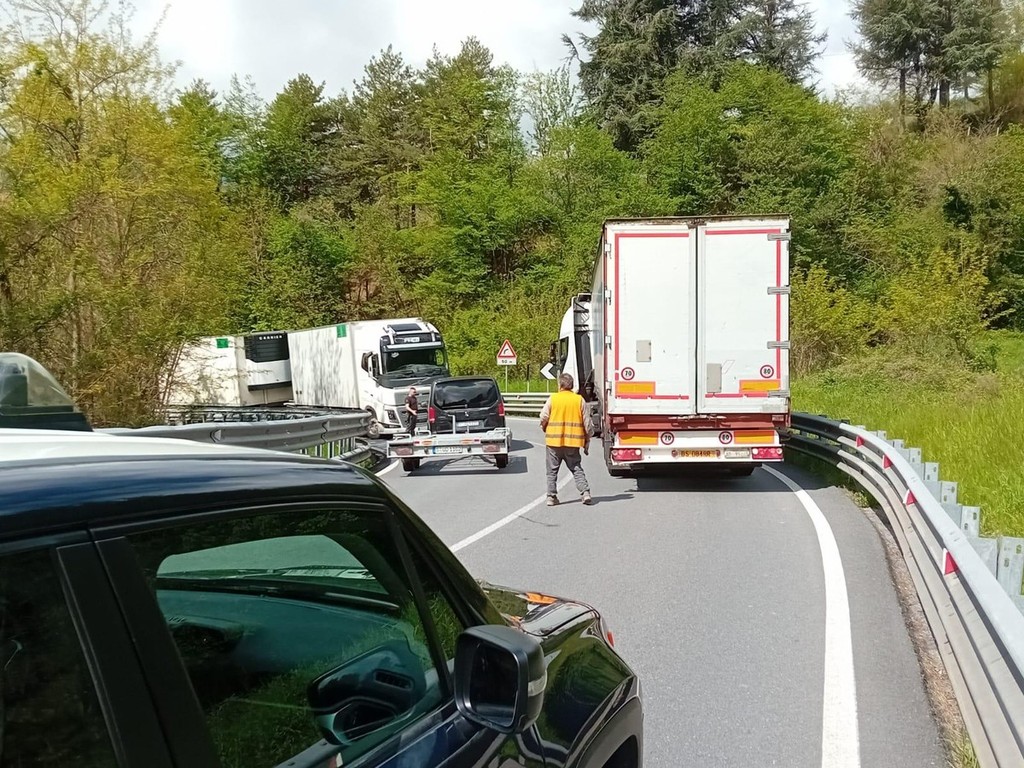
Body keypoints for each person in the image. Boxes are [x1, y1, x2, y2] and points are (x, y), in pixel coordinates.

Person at [540, 373, 592, 506]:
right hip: (572, 442)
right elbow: (588, 424)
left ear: (560, 385)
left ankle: (551, 497)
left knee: (552, 471)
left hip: (553, 442)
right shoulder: (579, 400)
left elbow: (543, 417)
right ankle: (585, 493)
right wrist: (587, 441)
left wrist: (544, 427)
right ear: (572, 385)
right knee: (576, 468)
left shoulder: (553, 399)